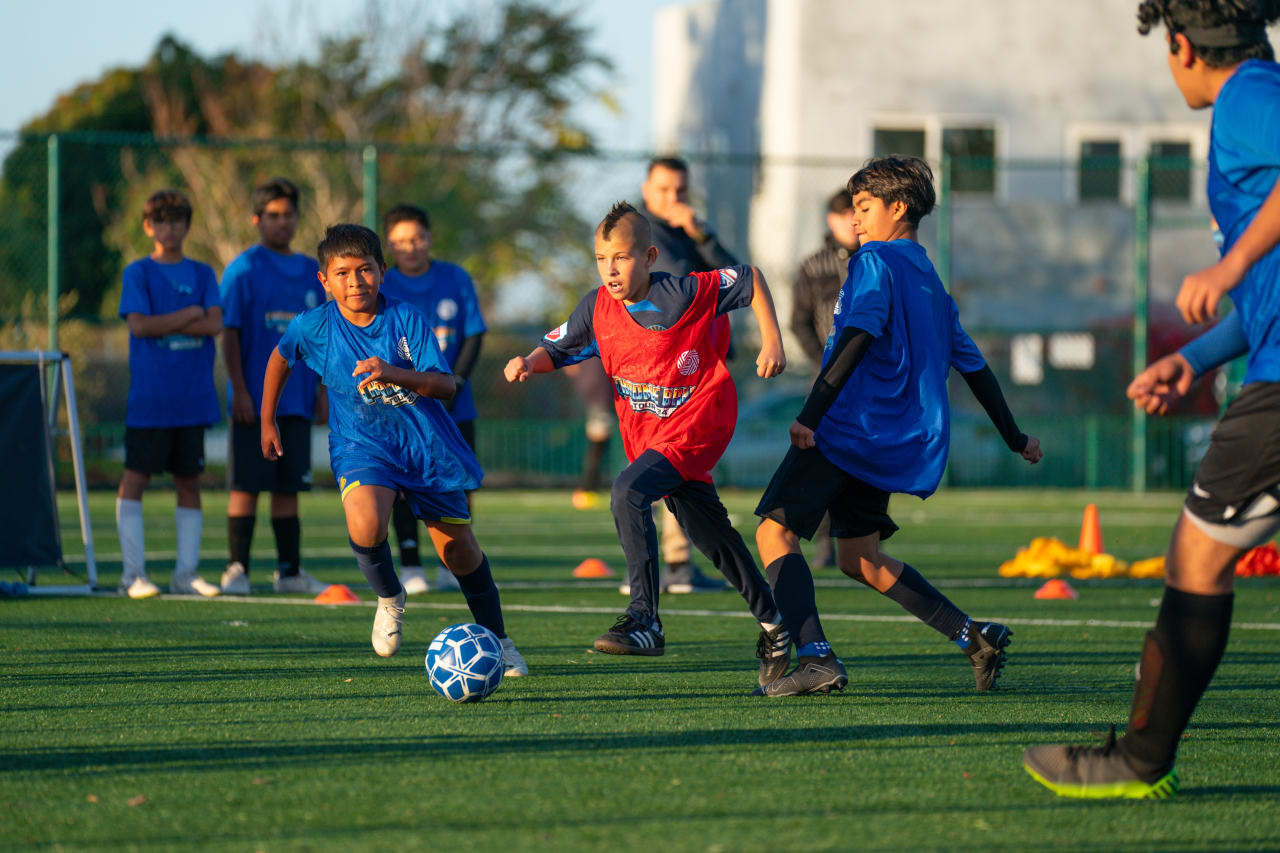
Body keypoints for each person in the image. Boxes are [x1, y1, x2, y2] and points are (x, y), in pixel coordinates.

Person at [1023, 0, 1280, 799]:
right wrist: (1194, 359)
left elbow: (1253, 271)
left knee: (1197, 557)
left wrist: (1229, 264)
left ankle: (1138, 759)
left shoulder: (1248, 97)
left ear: (1181, 45)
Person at [753, 155, 1043, 697]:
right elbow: (975, 367)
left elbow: (858, 334)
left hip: (845, 429)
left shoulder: (874, 261)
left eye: (864, 208)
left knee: (774, 532)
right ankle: (974, 637)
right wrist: (1015, 437)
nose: (855, 219)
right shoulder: (930, 281)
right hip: (887, 443)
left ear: (898, 207)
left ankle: (815, 657)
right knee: (860, 559)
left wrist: (810, 415)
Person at [504, 202, 792, 684]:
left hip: (699, 423)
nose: (610, 269)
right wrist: (529, 362)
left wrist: (772, 341)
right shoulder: (596, 306)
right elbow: (558, 346)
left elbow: (750, 279)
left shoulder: (680, 293)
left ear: (649, 257)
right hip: (653, 439)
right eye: (601, 259)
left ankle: (645, 619)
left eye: (621, 257)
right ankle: (775, 622)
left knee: (627, 491)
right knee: (711, 536)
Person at [262, 223, 527, 675]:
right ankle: (389, 596)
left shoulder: (407, 318)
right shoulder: (314, 325)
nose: (355, 281)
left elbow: (446, 385)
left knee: (458, 553)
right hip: (362, 445)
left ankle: (499, 640)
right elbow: (280, 357)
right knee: (366, 524)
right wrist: (268, 419)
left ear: (383, 271)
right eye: (342, 273)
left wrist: (392, 372)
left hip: (425, 448)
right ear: (324, 280)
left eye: (365, 270)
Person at [219, 178, 328, 595]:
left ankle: (289, 572)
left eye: (289, 215)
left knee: (288, 487)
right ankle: (237, 570)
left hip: (298, 400)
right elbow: (229, 334)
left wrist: (322, 391)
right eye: (273, 215)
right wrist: (240, 390)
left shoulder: (310, 272)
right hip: (254, 401)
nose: (283, 222)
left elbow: (322, 339)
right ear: (257, 219)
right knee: (246, 485)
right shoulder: (243, 270)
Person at [638, 155, 741, 593]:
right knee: (670, 461)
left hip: (693, 363)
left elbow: (736, 277)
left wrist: (703, 235)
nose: (673, 198)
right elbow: (679, 288)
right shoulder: (641, 235)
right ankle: (671, 564)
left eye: (680, 190)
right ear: (647, 190)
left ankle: (669, 564)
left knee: (678, 461)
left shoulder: (688, 232)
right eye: (663, 189)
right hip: (661, 365)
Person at [116, 189, 223, 599]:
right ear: (148, 227)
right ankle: (133, 575)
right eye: (160, 221)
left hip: (193, 399)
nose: (169, 228)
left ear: (187, 226)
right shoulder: (138, 273)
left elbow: (214, 324)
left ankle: (185, 574)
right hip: (151, 399)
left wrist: (172, 321)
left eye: (177, 221)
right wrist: (188, 313)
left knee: (189, 482)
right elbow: (140, 326)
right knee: (136, 478)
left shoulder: (203, 273)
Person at [379, 204, 487, 596]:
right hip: (402, 408)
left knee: (458, 483)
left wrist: (454, 380)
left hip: (454, 405)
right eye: (401, 241)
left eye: (417, 238)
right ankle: (410, 564)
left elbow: (474, 333)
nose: (411, 247)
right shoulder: (383, 284)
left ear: (429, 238)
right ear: (390, 244)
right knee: (404, 483)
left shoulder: (455, 278)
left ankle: (454, 563)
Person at [790, 188, 862, 569]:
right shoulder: (813, 266)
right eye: (847, 214)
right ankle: (824, 542)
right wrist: (825, 363)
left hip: (870, 382)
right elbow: (798, 321)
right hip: (827, 381)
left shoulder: (874, 261)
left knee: (863, 460)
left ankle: (862, 539)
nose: (854, 222)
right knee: (821, 458)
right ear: (832, 220)